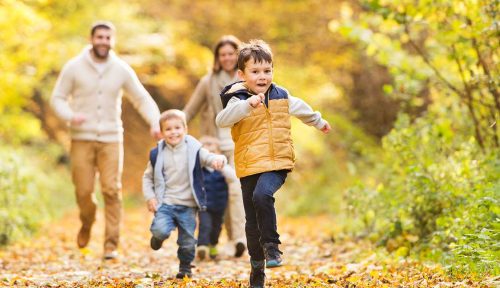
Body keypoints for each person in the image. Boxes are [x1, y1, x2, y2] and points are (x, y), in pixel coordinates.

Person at [215, 40, 331, 287]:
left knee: (262, 196)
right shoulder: (238, 99)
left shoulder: (281, 95)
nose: (262, 76)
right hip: (249, 165)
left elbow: (302, 109)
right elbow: (221, 120)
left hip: (277, 162)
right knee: (251, 221)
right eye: (255, 71)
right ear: (242, 75)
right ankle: (257, 268)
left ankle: (273, 247)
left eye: (267, 70)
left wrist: (319, 122)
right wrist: (247, 105)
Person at [50, 21, 161, 260]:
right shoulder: (74, 67)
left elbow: (141, 98)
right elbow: (57, 98)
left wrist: (155, 122)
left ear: (113, 41)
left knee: (111, 190)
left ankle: (111, 245)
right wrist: (70, 116)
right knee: (84, 191)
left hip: (112, 138)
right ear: (91, 39)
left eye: (108, 38)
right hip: (81, 138)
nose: (103, 41)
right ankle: (87, 222)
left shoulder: (121, 69)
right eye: (99, 37)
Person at [142, 110, 226, 279]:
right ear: (162, 133)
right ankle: (158, 238)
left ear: (185, 129)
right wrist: (150, 197)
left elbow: (208, 157)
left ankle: (185, 267)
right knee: (160, 230)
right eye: (168, 129)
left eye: (177, 128)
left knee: (187, 241)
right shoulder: (157, 154)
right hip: (166, 202)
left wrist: (218, 159)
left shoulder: (194, 149)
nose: (173, 132)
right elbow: (147, 177)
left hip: (188, 205)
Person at [183, 35, 246, 257]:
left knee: (236, 189)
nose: (227, 58)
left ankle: (239, 239)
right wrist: (172, 127)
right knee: (215, 193)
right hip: (214, 146)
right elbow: (189, 110)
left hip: (240, 143)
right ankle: (212, 240)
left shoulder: (247, 80)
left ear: (238, 55)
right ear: (218, 58)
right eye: (223, 54)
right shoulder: (208, 81)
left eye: (231, 53)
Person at [196, 136, 238, 261]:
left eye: (212, 152)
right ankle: (202, 246)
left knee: (217, 227)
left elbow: (233, 178)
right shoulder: (199, 170)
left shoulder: (223, 171)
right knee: (205, 225)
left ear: (219, 153)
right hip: (204, 205)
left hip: (220, 205)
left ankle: (213, 244)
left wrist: (222, 165)